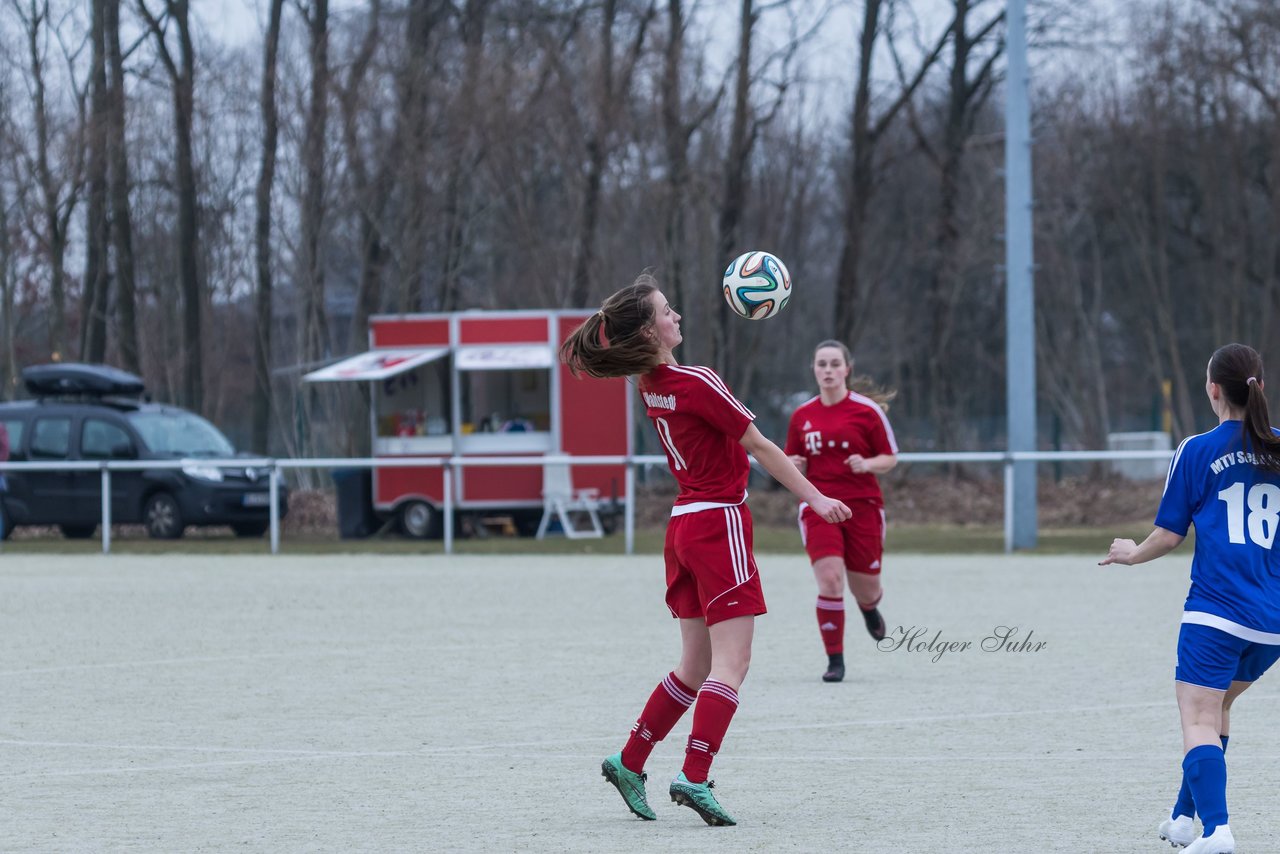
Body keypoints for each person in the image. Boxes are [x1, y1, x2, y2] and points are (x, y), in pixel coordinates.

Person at [560, 272, 851, 827]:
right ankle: (694, 777)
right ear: (649, 331)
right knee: (732, 662)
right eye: (668, 312)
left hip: (683, 528)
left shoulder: (649, 382)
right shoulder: (695, 381)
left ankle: (629, 761)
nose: (678, 318)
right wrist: (815, 498)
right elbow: (762, 446)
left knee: (694, 665)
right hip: (719, 523)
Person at [1101, 343, 1280, 854]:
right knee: (1215, 707)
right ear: (1260, 387)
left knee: (1198, 718)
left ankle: (1218, 831)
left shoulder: (1198, 449)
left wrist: (1131, 554)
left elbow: (1169, 534)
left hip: (1217, 614)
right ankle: (1183, 817)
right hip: (1271, 622)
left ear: (1212, 390)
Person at [784, 340, 898, 683]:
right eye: (822, 364)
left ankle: (868, 608)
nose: (828, 370)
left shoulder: (866, 411)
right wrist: (795, 463)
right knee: (831, 579)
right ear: (814, 369)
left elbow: (890, 457)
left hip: (862, 508)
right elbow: (787, 461)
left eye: (835, 364)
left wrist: (866, 463)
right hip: (818, 505)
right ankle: (836, 661)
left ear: (847, 369)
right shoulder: (802, 416)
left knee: (867, 589)